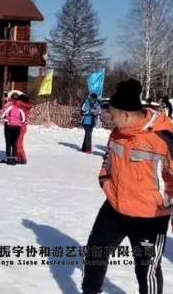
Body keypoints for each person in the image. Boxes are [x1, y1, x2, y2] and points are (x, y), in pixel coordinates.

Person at [82, 79, 173, 294]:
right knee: (95, 253)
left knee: (147, 268)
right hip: (114, 208)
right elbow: (107, 162)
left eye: (112, 114)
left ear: (125, 114)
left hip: (150, 217)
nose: (109, 119)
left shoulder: (165, 137)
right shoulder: (117, 133)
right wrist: (105, 182)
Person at [0, 94, 25, 165]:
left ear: (11, 98)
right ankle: (13, 159)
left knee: (8, 142)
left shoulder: (9, 106)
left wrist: (6, 118)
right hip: (17, 127)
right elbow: (23, 119)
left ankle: (8, 159)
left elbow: (2, 115)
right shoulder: (21, 107)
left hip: (9, 126)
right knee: (14, 143)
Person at [15, 94, 34, 164]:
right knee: (20, 142)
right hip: (24, 126)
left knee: (17, 142)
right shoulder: (27, 107)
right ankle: (21, 157)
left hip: (18, 125)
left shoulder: (18, 105)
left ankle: (21, 158)